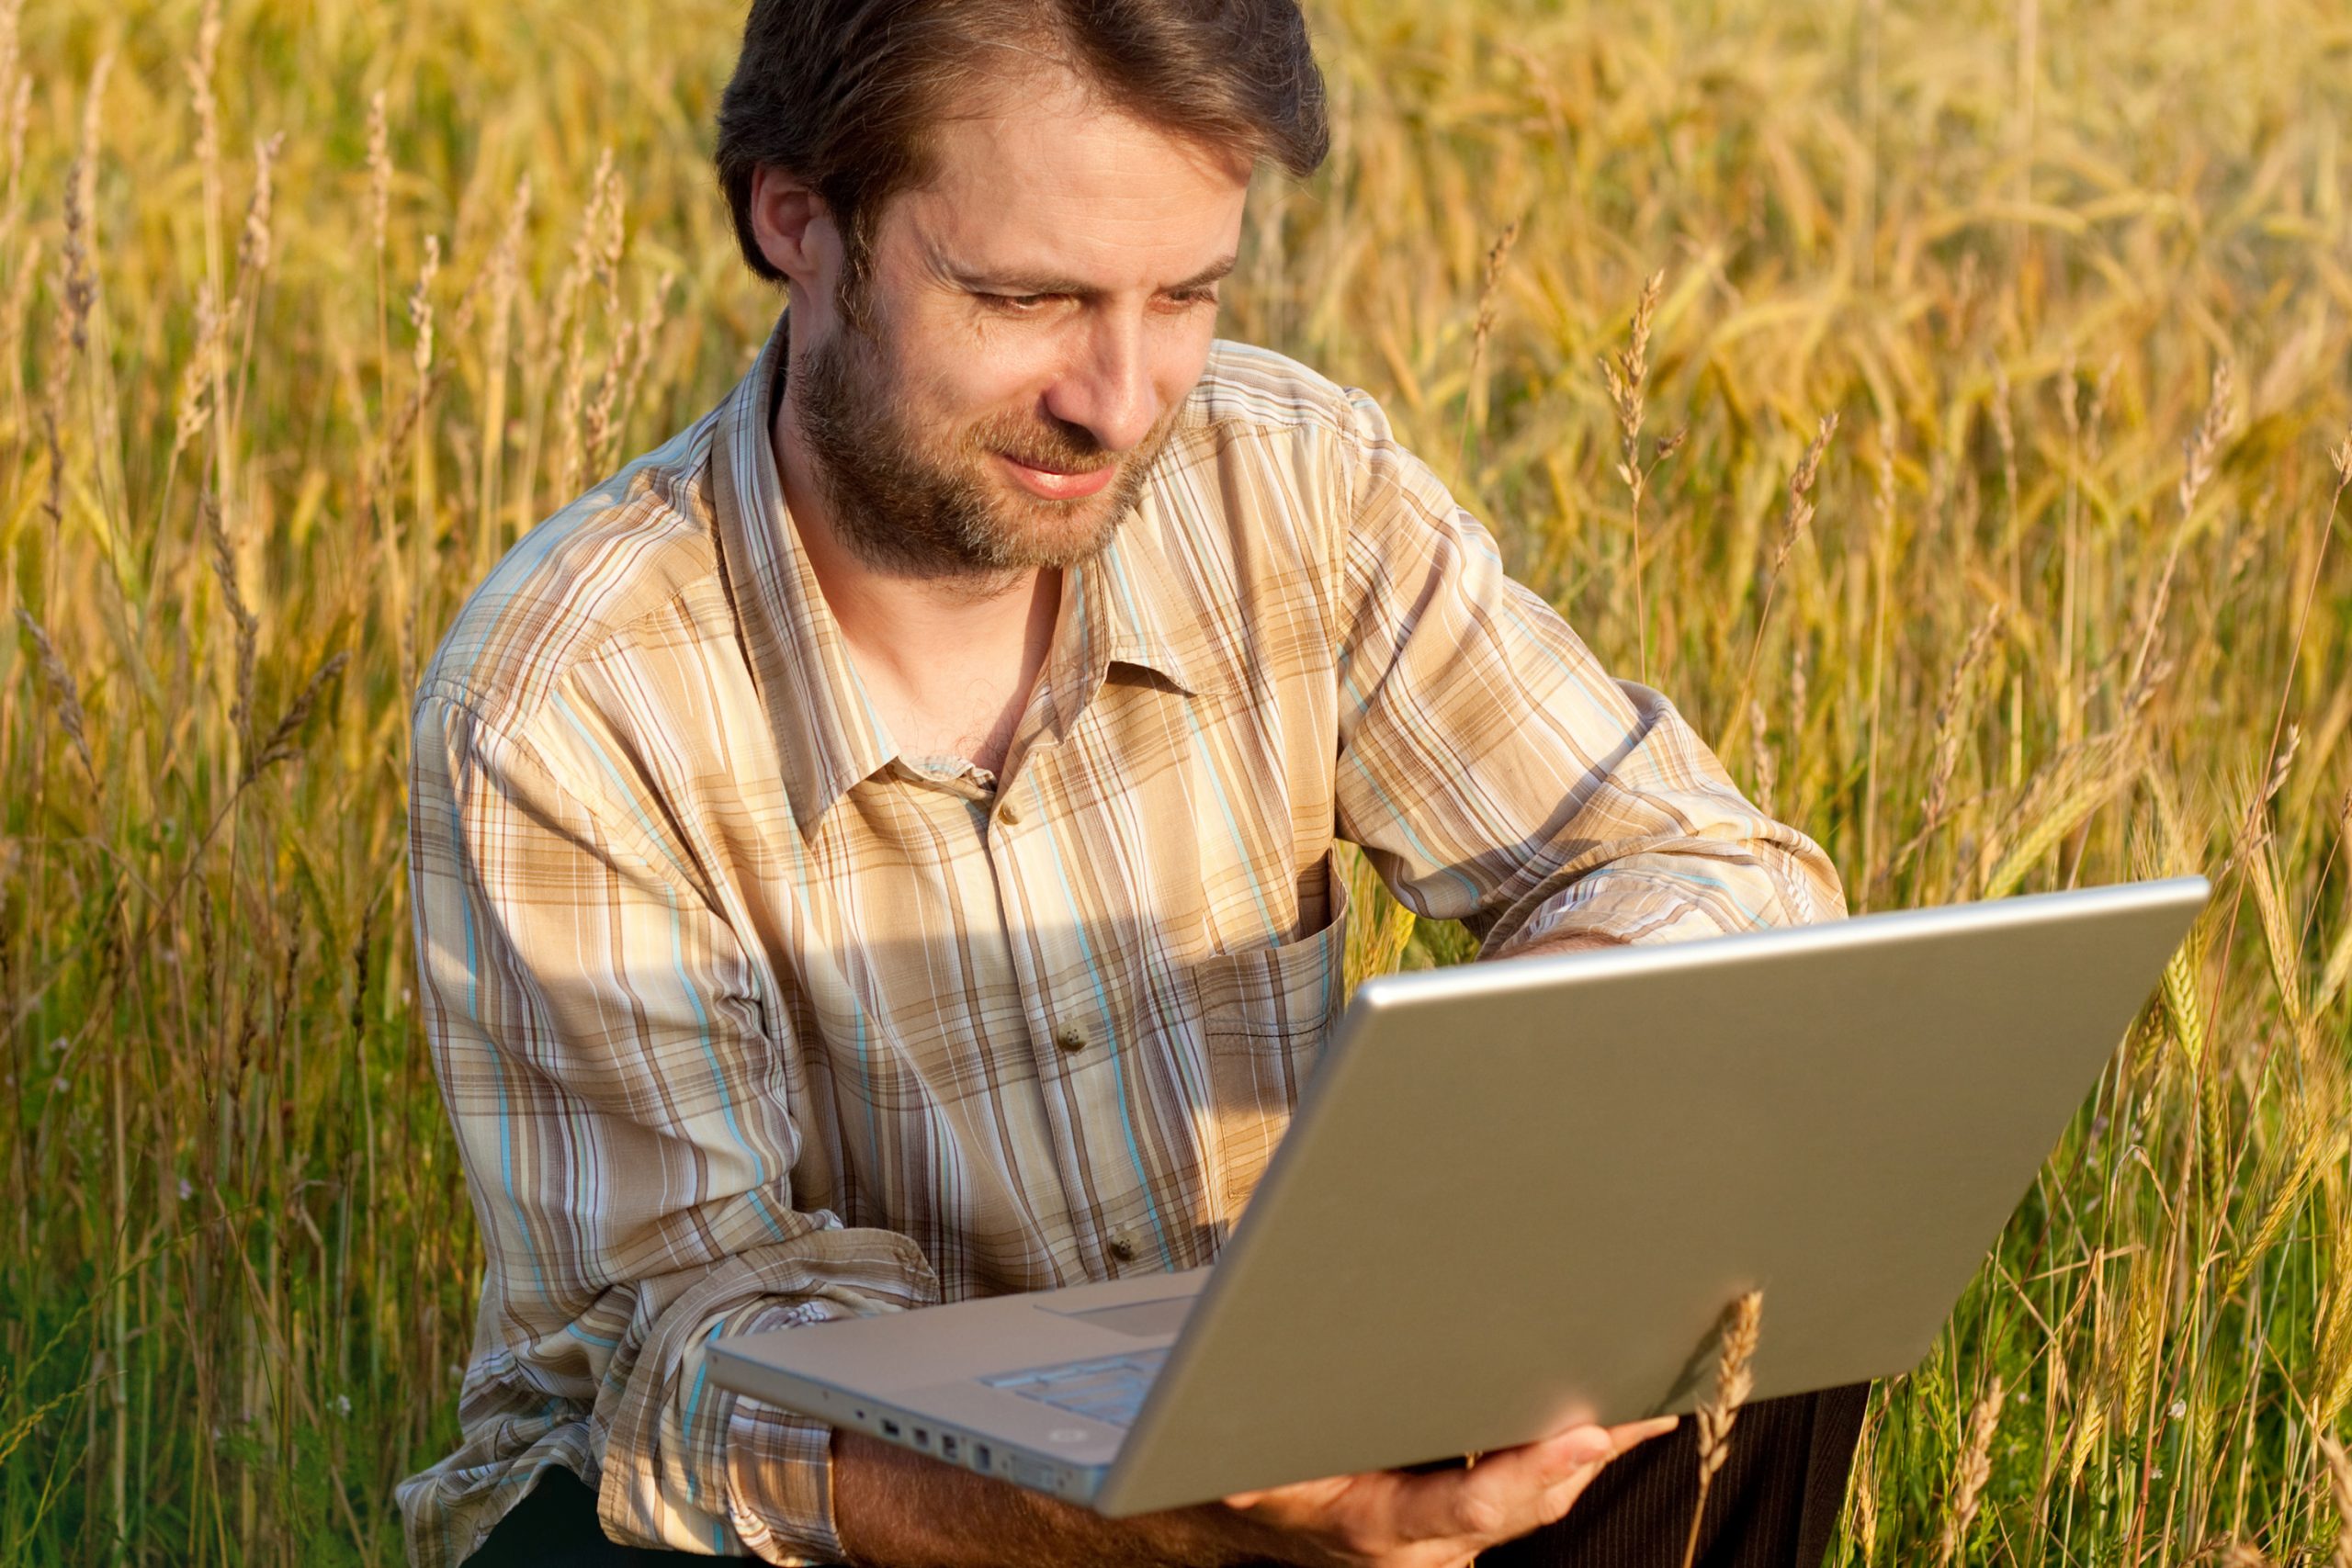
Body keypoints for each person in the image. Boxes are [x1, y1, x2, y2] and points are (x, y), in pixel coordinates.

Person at [399, 2, 1867, 1563]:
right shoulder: (567, 700)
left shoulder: (1290, 479)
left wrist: (1557, 1046)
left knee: (1743, 1217)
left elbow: (1711, 870)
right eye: (1026, 296)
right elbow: (684, 1374)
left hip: (1292, 1418)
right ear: (798, 220)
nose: (1121, 398)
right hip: (887, 1510)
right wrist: (1164, 1500)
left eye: (1186, 295)